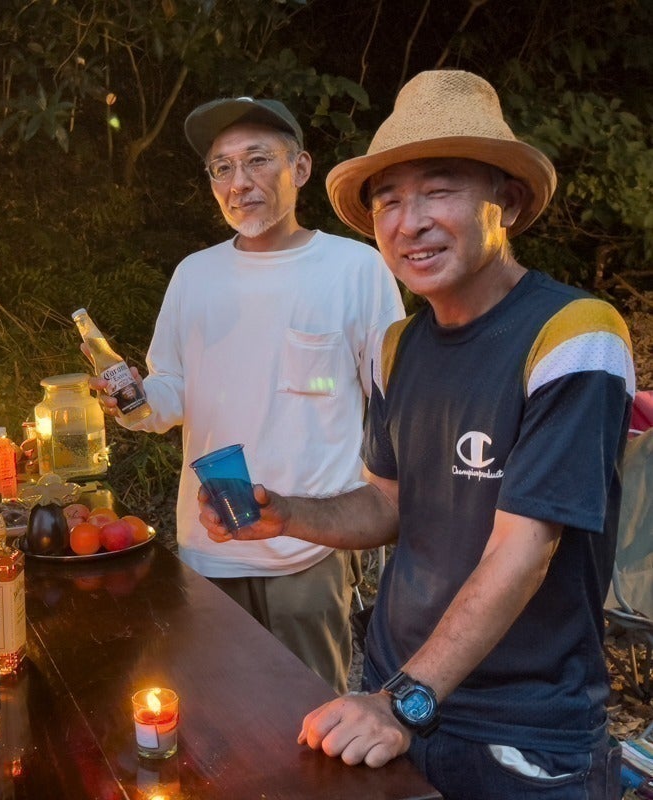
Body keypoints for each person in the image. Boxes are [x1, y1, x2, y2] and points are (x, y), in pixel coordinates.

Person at [198, 70, 632, 799]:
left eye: (439, 190)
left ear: (506, 202)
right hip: (396, 693)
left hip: (517, 732)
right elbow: (389, 504)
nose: (410, 222)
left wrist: (402, 702)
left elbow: (524, 547)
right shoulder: (396, 349)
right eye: (390, 200)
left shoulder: (573, 336)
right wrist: (286, 514)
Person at [90, 97, 404, 693]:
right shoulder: (195, 275)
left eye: (258, 160)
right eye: (222, 167)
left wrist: (384, 517)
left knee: (310, 716)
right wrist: (134, 399)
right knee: (219, 717)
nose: (239, 183)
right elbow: (171, 392)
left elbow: (393, 406)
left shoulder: (355, 269)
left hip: (309, 547)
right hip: (209, 544)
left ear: (300, 168)